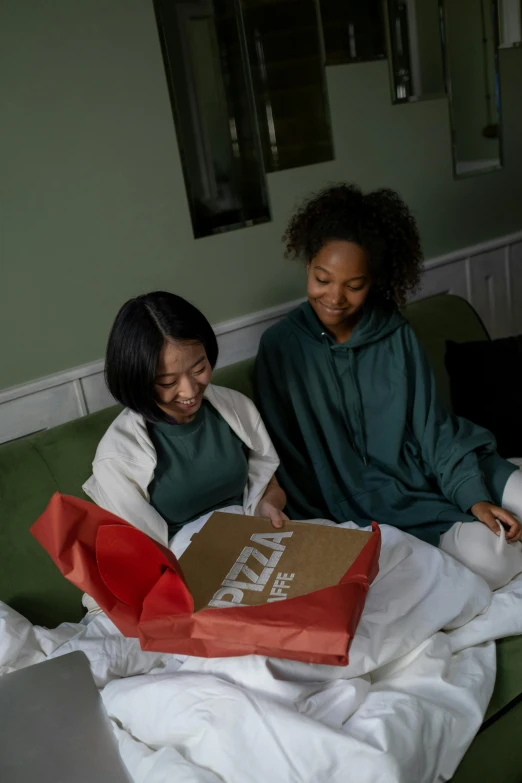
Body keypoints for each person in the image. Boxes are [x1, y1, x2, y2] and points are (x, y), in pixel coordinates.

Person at [254, 184, 522, 590]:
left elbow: (433, 428)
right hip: (374, 502)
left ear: (374, 280)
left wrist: (473, 498)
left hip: (443, 464)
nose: (334, 298)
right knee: (496, 562)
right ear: (308, 264)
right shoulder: (281, 348)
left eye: (354, 285)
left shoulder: (395, 332)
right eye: (322, 278)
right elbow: (286, 457)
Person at [83, 291, 288, 560]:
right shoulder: (117, 457)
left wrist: (269, 506)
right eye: (168, 382)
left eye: (199, 368)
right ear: (136, 380)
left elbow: (268, 485)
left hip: (255, 539)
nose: (190, 390)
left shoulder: (235, 408)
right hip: (184, 565)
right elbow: (136, 552)